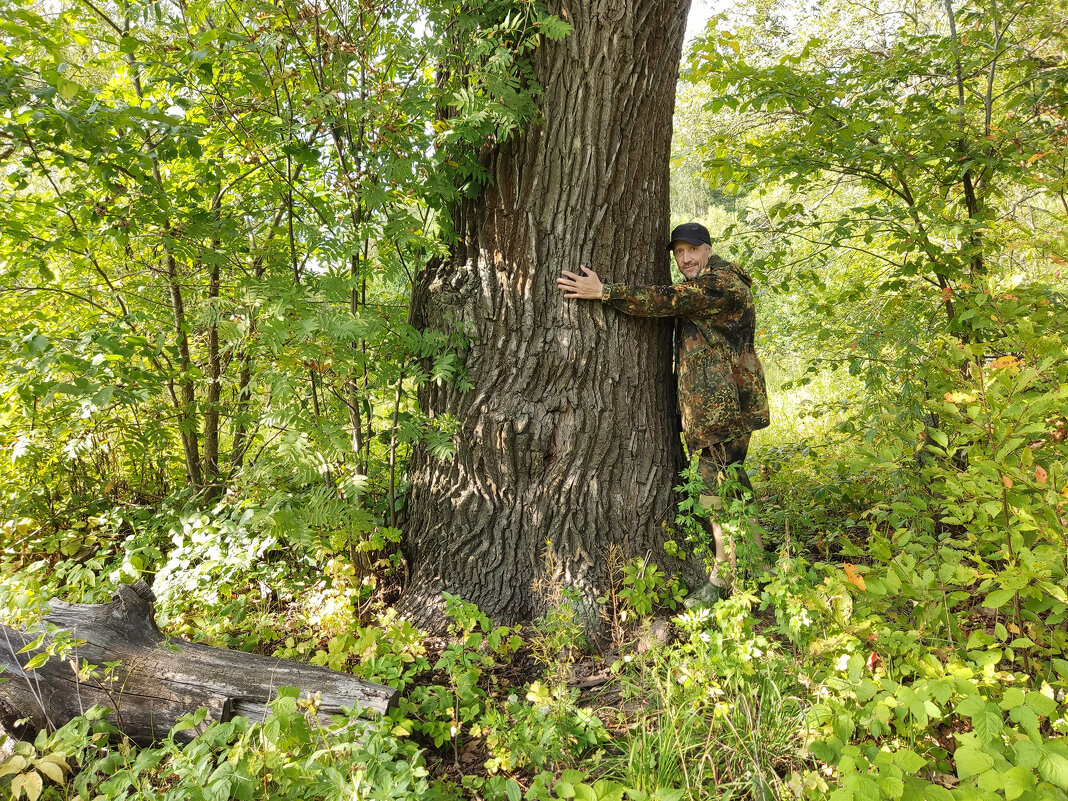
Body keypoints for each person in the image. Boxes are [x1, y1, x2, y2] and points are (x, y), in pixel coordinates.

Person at [557, 222, 770, 598]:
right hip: (718, 406)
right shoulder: (707, 281)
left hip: (725, 409)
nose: (685, 258)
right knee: (733, 483)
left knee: (712, 491)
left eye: (692, 250)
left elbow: (667, 300)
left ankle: (723, 580)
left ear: (708, 250)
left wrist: (605, 292)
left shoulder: (720, 284)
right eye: (678, 252)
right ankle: (762, 565)